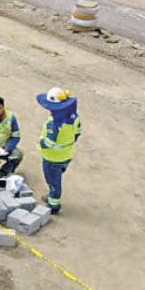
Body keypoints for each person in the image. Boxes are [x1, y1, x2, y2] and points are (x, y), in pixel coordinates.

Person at [36, 87, 81, 215]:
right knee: (57, 176)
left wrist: (41, 144)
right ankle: (52, 195)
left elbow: (49, 142)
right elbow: (77, 133)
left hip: (52, 158)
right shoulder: (74, 117)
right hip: (67, 155)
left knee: (53, 181)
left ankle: (53, 205)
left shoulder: (54, 122)